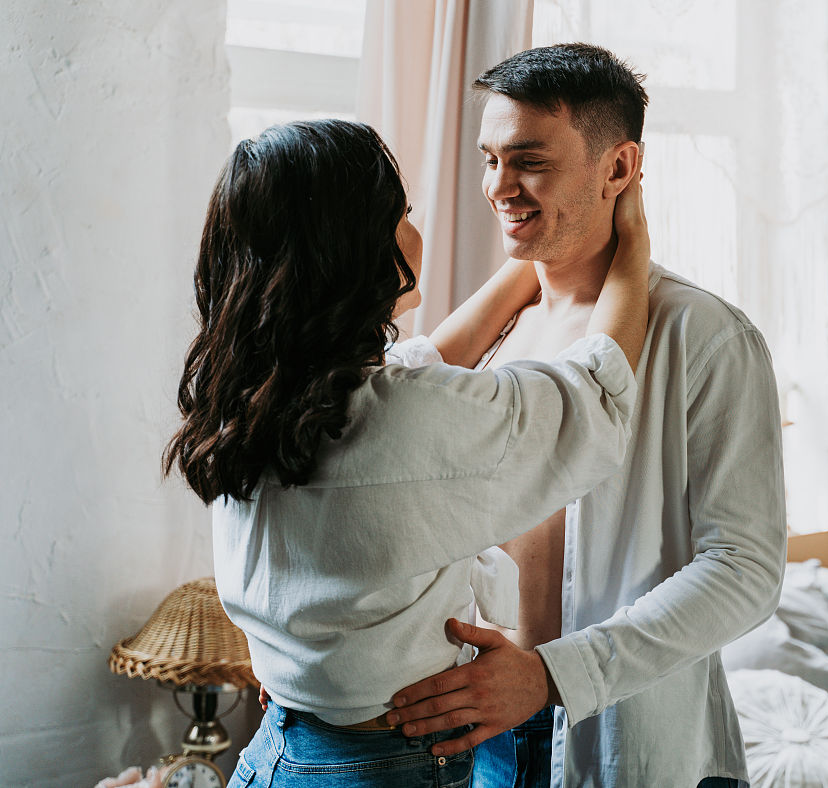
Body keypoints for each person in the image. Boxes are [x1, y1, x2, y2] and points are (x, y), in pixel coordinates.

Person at [162, 118, 649, 787]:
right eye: (402, 214)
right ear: (356, 249)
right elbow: (596, 394)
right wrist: (632, 242)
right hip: (383, 766)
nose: (414, 230)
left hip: (280, 749)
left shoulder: (256, 395)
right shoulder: (409, 417)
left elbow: (422, 362)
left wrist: (535, 255)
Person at [386, 45, 787, 788]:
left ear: (617, 169)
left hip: (626, 734)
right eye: (489, 160)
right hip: (475, 732)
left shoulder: (704, 336)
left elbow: (747, 569)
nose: (498, 187)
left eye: (529, 161)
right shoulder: (491, 333)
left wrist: (551, 674)